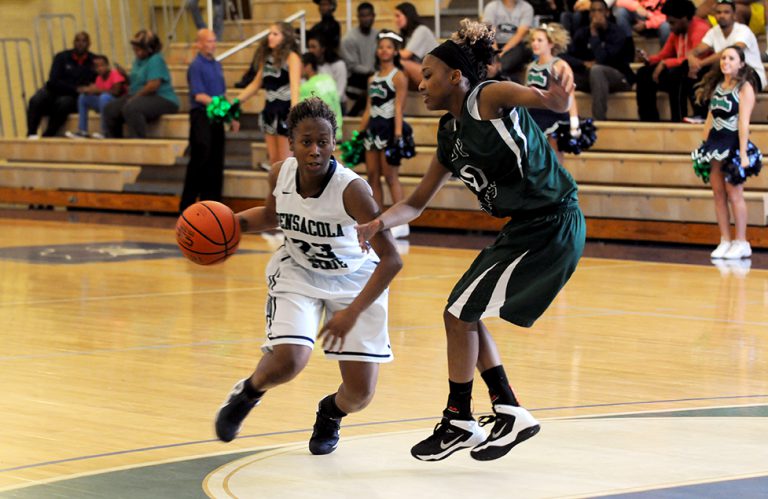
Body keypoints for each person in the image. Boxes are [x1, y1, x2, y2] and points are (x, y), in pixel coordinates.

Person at [356, 19, 585, 462]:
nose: (421, 82)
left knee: (458, 313)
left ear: (456, 77)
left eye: (428, 74)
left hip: (551, 223)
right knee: (465, 310)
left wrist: (553, 100)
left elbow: (529, 96)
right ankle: (509, 410)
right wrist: (377, 224)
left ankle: (460, 418)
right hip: (524, 227)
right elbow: (417, 203)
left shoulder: (485, 97)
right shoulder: (450, 133)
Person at [213, 97, 403, 456]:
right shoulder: (279, 174)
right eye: (306, 142)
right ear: (291, 143)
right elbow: (275, 216)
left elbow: (391, 260)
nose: (315, 150)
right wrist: (230, 225)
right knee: (290, 359)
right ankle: (248, 393)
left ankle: (330, 414)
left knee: (360, 395)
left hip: (354, 280)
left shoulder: (353, 190)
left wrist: (352, 313)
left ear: (334, 143)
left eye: (323, 142)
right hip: (298, 271)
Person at [692, 45, 759, 259]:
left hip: (732, 144)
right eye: (723, 58)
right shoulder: (718, 85)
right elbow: (711, 116)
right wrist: (704, 142)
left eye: (731, 58)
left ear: (740, 63)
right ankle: (725, 239)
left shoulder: (745, 87)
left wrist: (743, 153)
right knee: (718, 193)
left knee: (734, 193)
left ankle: (741, 241)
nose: (725, 62)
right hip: (715, 144)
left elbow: (744, 123)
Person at [179, 29, 239, 213]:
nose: (212, 44)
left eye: (214, 41)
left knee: (216, 160)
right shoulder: (196, 66)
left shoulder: (216, 65)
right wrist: (223, 107)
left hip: (216, 116)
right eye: (208, 41)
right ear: (199, 43)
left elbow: (221, 94)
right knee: (200, 157)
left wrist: (230, 116)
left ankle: (212, 205)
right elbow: (199, 95)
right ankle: (187, 205)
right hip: (201, 116)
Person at [358, 32, 410, 239]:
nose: (384, 50)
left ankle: (402, 222)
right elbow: (368, 108)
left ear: (395, 51)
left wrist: (397, 135)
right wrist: (359, 133)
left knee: (390, 176)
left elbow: (399, 107)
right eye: (381, 47)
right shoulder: (372, 78)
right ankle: (378, 220)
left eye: (388, 47)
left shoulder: (398, 76)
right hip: (373, 129)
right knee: (372, 175)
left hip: (389, 128)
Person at [687, 0, 765, 123]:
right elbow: (696, 50)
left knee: (730, 74)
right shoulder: (713, 32)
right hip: (727, 74)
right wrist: (692, 59)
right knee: (695, 72)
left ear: (734, 15)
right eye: (718, 12)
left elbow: (730, 51)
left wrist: (700, 63)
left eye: (726, 12)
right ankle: (701, 115)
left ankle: (733, 120)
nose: (722, 15)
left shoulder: (744, 31)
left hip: (751, 74)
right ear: (714, 15)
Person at [237, 22, 301, 167]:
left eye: (275, 34)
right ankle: (275, 189)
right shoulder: (267, 59)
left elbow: (295, 87)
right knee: (274, 161)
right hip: (270, 111)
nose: (270, 37)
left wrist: (294, 115)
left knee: (285, 163)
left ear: (285, 38)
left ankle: (285, 190)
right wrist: (234, 102)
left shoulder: (292, 58)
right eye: (269, 33)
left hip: (285, 112)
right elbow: (255, 84)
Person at [635, 0, 710, 122]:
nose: (670, 26)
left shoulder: (700, 29)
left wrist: (666, 63)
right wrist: (648, 59)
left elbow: (695, 59)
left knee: (678, 72)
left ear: (684, 18)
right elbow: (664, 54)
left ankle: (678, 119)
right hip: (679, 70)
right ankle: (648, 119)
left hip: (697, 73)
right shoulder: (677, 30)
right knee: (644, 73)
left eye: (672, 22)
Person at [562, 0, 635, 120]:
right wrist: (583, 63)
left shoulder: (617, 33)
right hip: (590, 77)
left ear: (607, 13)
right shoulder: (582, 32)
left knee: (597, 70)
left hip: (618, 76)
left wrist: (594, 35)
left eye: (600, 11)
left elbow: (603, 60)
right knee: (559, 72)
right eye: (593, 11)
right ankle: (565, 118)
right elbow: (564, 56)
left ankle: (599, 120)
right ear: (589, 14)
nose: (596, 14)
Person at [103, 30, 180, 138]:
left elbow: (153, 85)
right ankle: (116, 143)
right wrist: (125, 77)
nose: (136, 52)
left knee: (132, 108)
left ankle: (139, 142)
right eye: (135, 49)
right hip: (140, 96)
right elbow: (137, 82)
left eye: (139, 49)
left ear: (149, 49)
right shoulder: (137, 61)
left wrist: (135, 97)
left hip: (162, 98)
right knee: (110, 110)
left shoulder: (156, 59)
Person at [524, 23, 580, 164]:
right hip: (535, 116)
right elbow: (525, 95)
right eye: (533, 40)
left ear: (551, 43)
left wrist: (574, 122)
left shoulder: (560, 65)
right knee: (534, 158)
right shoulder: (530, 67)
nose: (535, 43)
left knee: (554, 156)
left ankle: (558, 185)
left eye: (540, 40)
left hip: (556, 115)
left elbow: (570, 95)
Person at [26, 32, 96, 138]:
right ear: (73, 43)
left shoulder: (93, 60)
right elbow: (54, 80)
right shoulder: (61, 57)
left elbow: (90, 83)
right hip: (56, 90)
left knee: (64, 103)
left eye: (84, 41)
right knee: (36, 99)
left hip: (72, 97)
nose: (80, 43)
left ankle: (48, 135)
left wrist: (80, 89)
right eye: (77, 40)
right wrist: (75, 88)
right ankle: (31, 134)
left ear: (89, 43)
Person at [65, 54, 127, 139]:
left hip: (118, 104)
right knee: (83, 97)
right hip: (104, 103)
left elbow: (116, 92)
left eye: (102, 65)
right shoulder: (98, 78)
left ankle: (105, 132)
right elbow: (97, 92)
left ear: (107, 65)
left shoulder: (115, 74)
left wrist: (97, 90)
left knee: (104, 97)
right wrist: (88, 90)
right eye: (96, 67)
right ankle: (82, 131)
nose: (100, 68)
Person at [341, 2, 379, 116]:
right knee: (373, 88)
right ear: (358, 17)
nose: (366, 19)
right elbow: (352, 66)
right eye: (363, 16)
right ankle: (352, 115)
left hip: (373, 76)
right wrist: (372, 73)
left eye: (368, 15)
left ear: (373, 16)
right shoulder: (349, 38)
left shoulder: (378, 35)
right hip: (354, 80)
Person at [483, 0, 536, 82]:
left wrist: (500, 53)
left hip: (516, 45)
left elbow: (520, 34)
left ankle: (496, 73)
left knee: (521, 50)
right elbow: (490, 32)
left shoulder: (526, 7)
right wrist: (495, 52)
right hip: (495, 44)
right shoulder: (491, 7)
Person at [394, 2, 439, 89]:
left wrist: (387, 52)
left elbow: (405, 55)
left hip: (436, 73)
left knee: (401, 64)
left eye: (398, 16)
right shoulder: (406, 35)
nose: (395, 20)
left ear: (407, 15)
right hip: (425, 71)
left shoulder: (421, 30)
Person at [299, 52, 343, 140]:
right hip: (337, 133)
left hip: (321, 137)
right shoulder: (329, 79)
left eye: (299, 66)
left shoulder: (306, 87)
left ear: (308, 66)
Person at [307, 32, 347, 106]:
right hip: (317, 105)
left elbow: (340, 91)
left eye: (313, 47)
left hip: (337, 104)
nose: (310, 50)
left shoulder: (339, 64)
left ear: (323, 48)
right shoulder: (311, 66)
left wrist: (327, 105)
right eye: (309, 47)